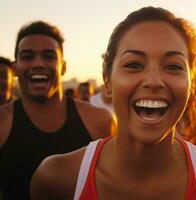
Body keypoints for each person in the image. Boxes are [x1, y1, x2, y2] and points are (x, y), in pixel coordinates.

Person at [30, 7, 196, 200]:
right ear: (107, 80)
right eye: (133, 64)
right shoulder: (58, 179)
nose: (154, 81)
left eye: (174, 67)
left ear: (191, 81)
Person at [0, 21, 116, 200]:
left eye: (49, 56)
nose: (38, 63)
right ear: (15, 68)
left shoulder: (99, 121)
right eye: (27, 56)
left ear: (63, 67)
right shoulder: (2, 123)